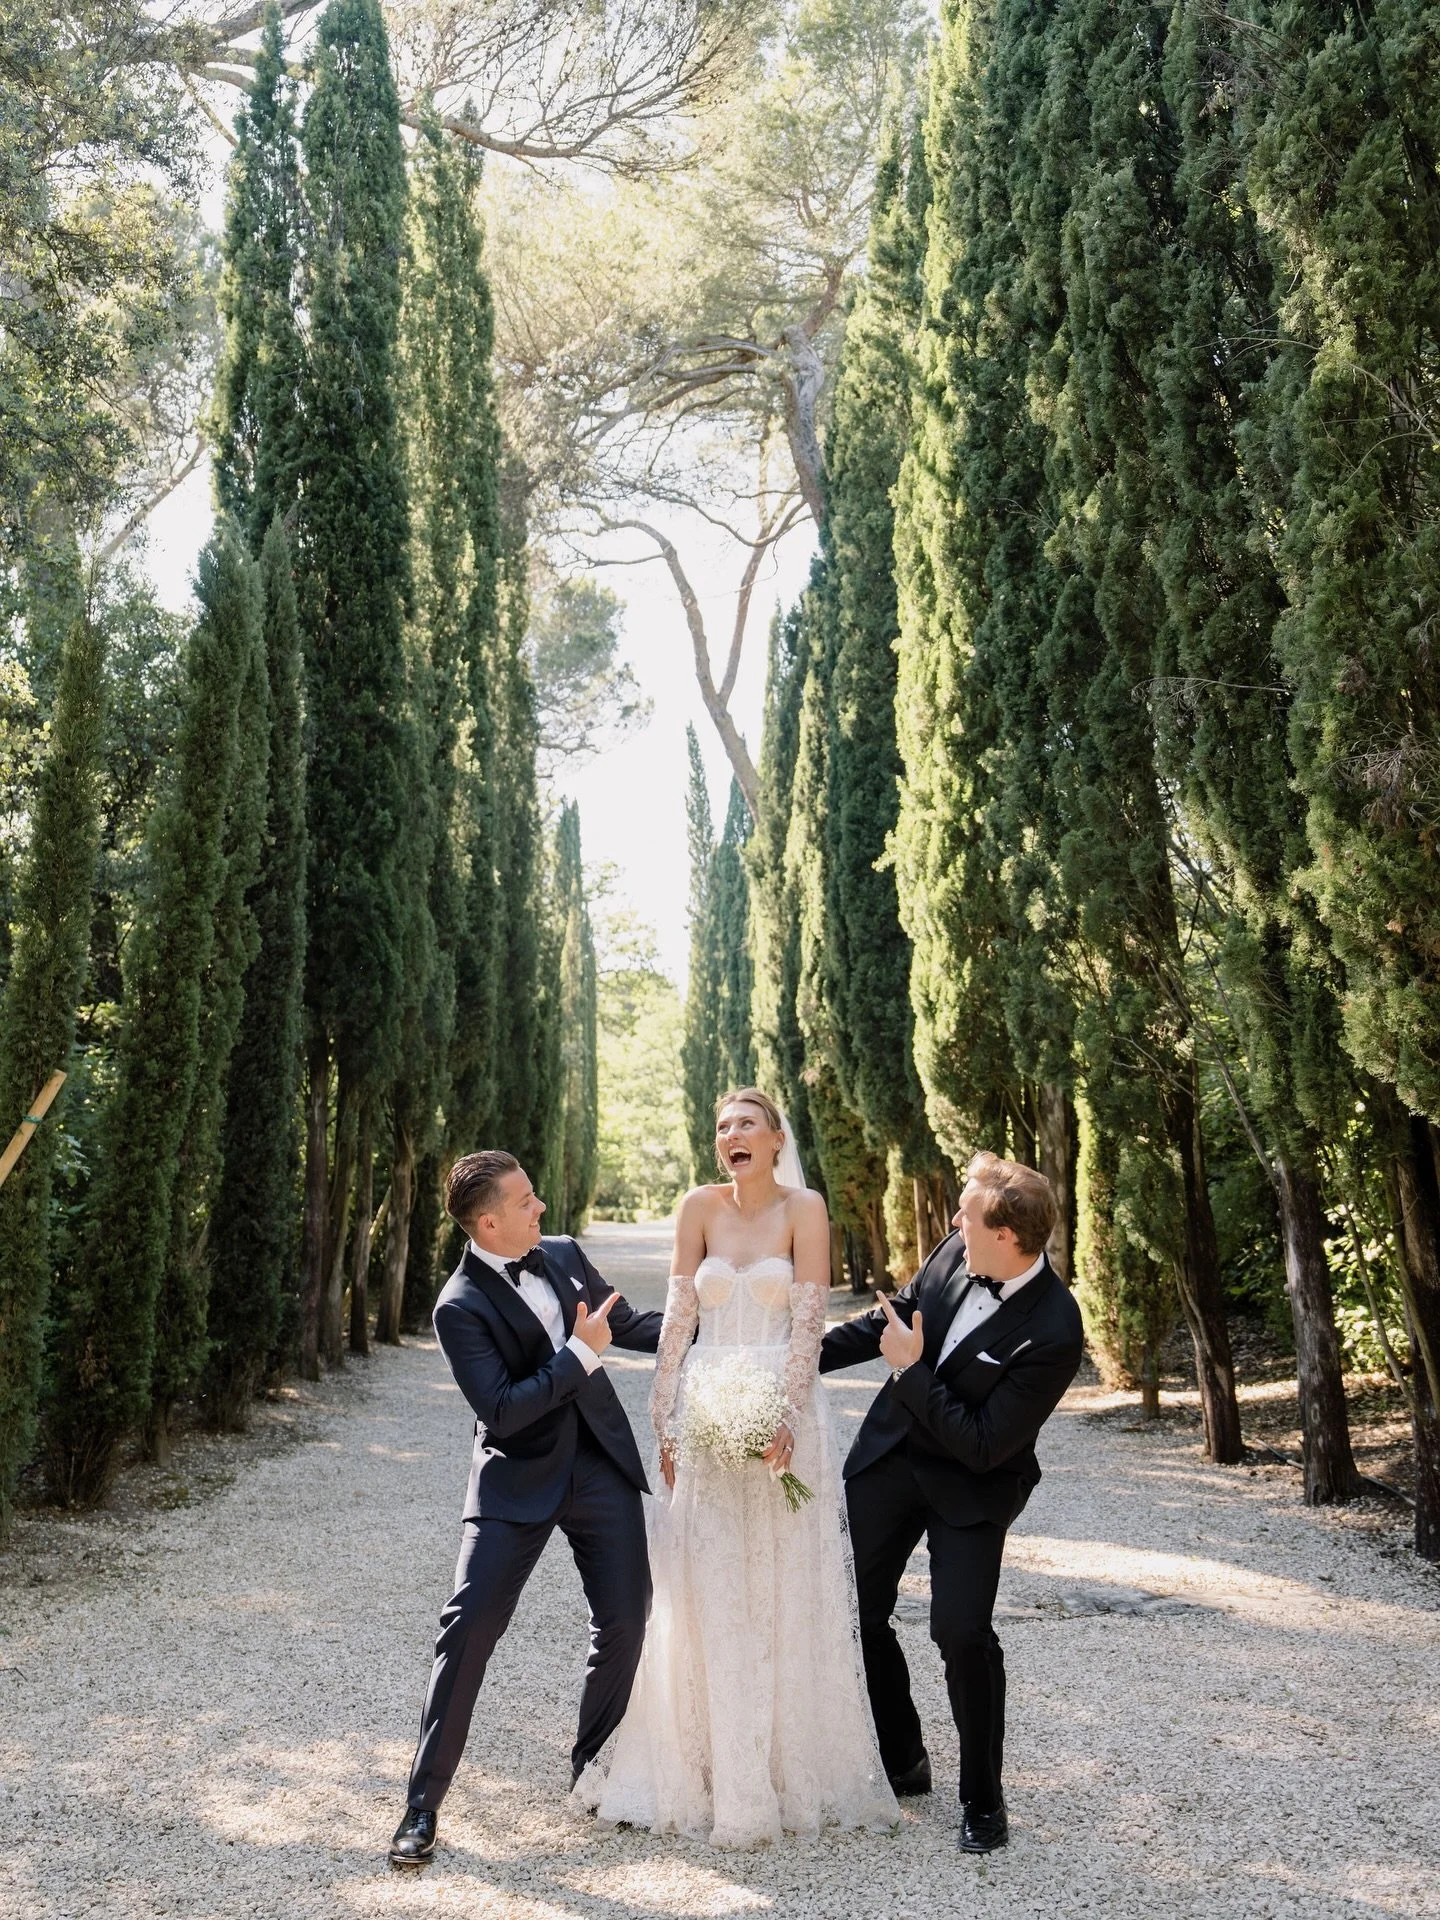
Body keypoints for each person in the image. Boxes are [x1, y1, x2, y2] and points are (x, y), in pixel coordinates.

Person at [577, 1089, 898, 1848]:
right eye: (723, 1127)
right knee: (711, 1583)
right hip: (707, 1403)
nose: (731, 1135)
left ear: (776, 1137)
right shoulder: (697, 1207)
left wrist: (786, 1414)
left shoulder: (804, 1208)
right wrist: (664, 1417)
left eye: (746, 1124)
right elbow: (681, 1317)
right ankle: (712, 1768)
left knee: (784, 1583)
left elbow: (810, 1319)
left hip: (789, 1416)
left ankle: (787, 1768)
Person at [389, 1150, 664, 1869]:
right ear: (487, 1221)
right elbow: (505, 1413)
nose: (541, 1208)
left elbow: (628, 1325)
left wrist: (720, 1330)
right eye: (525, 1202)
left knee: (628, 1618)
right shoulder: (459, 1307)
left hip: (599, 1463)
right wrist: (578, 1354)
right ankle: (422, 1806)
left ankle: (593, 1769)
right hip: (517, 1479)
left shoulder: (565, 1253)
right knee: (468, 1626)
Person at [820, 1151, 1084, 1855]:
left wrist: (908, 1368)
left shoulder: (1056, 1329)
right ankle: (904, 1756)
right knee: (855, 1611)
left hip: (972, 1484)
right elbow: (898, 1315)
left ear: (1007, 1236)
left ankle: (983, 1798)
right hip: (890, 1460)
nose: (951, 1222)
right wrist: (791, 1357)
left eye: (965, 1217)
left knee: (961, 1633)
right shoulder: (954, 1249)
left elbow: (981, 1444)